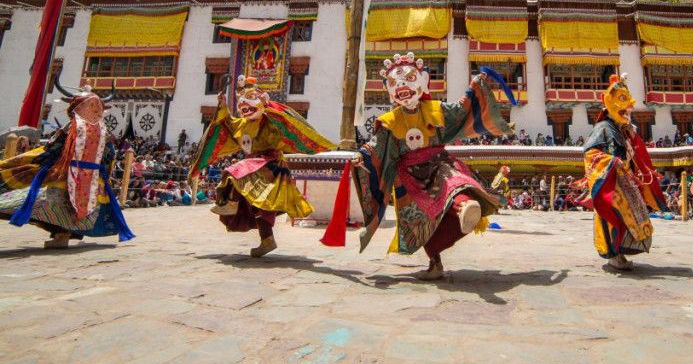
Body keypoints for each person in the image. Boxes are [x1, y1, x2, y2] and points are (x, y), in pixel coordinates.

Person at [337, 53, 513, 280]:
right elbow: (375, 146)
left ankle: (464, 207)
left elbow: (462, 110)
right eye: (394, 83)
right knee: (421, 222)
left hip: (438, 164)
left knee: (452, 185)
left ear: (424, 81)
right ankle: (435, 263)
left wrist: (474, 87)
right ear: (389, 90)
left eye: (410, 78)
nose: (402, 85)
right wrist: (361, 156)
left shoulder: (436, 110)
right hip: (410, 179)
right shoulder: (390, 122)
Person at [190, 75, 335, 257]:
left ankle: (232, 203)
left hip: (270, 163)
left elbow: (285, 123)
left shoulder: (269, 120)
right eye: (242, 101)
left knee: (235, 172)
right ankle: (267, 240)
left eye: (251, 98)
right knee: (258, 204)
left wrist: (269, 107)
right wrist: (223, 105)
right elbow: (227, 123)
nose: (244, 104)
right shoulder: (242, 124)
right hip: (254, 163)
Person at [0, 80, 134, 248]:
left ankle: (60, 234)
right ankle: (63, 234)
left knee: (45, 195)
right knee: (74, 207)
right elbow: (108, 158)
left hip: (66, 173)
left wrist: (41, 160)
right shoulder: (104, 132)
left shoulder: (72, 126)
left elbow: (54, 149)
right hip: (92, 179)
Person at [583, 74, 667, 271]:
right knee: (613, 219)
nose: (630, 105)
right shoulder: (603, 128)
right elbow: (590, 153)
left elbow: (634, 154)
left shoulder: (623, 129)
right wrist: (612, 161)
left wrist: (643, 170)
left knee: (630, 219)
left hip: (626, 182)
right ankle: (613, 255)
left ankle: (620, 252)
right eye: (622, 99)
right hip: (610, 183)